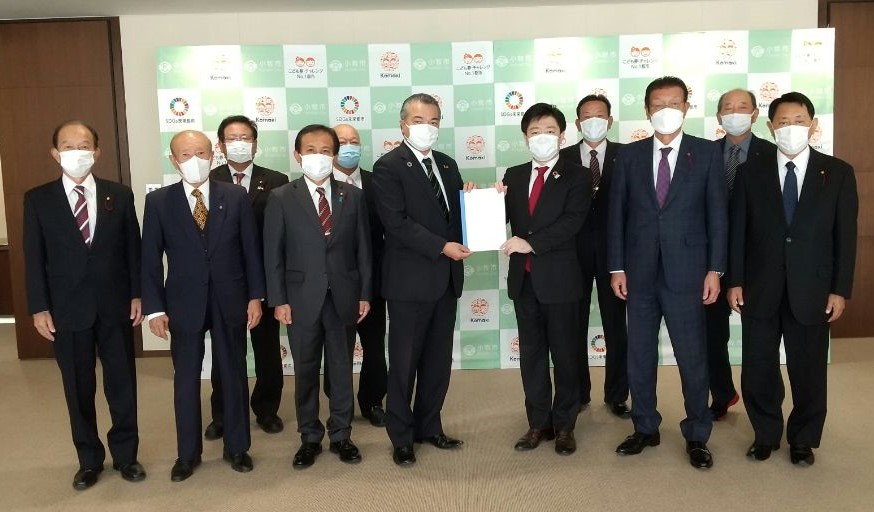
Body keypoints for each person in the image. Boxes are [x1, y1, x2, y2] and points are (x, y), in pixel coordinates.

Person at [727, 92, 857, 465]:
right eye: (783, 122)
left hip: (813, 288)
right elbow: (738, 233)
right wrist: (735, 281)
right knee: (759, 367)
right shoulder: (750, 172)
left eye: (799, 121)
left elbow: (845, 237)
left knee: (809, 368)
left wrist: (840, 290)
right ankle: (765, 434)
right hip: (759, 287)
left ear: (813, 125)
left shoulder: (837, 172)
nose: (791, 128)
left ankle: (803, 438)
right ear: (770, 127)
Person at [608, 76, 727, 469]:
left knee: (692, 357)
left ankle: (697, 434)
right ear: (646, 110)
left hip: (689, 273)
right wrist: (616, 267)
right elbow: (616, 215)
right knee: (639, 356)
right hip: (638, 273)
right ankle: (645, 427)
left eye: (674, 103)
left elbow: (717, 216)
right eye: (658, 104)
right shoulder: (628, 155)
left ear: (686, 107)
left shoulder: (706, 153)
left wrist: (715, 269)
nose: (666, 110)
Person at [23, 120, 145, 490]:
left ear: (97, 151)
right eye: (68, 146)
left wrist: (137, 294)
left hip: (115, 305)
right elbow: (34, 257)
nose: (77, 152)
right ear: (55, 153)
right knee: (78, 387)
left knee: (121, 383)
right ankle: (89, 460)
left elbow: (133, 250)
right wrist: (39, 307)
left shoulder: (118, 195)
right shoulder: (38, 199)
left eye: (84, 145)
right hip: (66, 309)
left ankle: (126, 455)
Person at [141, 130, 265, 481]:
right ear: (173, 160)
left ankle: (237, 447)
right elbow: (150, 259)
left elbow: (250, 249)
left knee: (233, 374)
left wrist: (255, 296)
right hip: (183, 302)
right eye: (185, 154)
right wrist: (155, 308)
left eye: (201, 152)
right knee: (185, 380)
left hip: (231, 298)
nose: (194, 160)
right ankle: (187, 454)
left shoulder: (235, 195)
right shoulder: (159, 202)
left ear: (214, 155)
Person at [372, 93, 473, 466]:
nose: (426, 128)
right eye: (418, 121)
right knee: (404, 364)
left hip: (445, 281)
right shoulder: (388, 167)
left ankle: (429, 426)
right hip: (409, 283)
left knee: (437, 362)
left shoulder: (447, 164)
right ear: (402, 125)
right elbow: (396, 223)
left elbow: (455, 217)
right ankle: (401, 437)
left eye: (433, 121)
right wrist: (442, 247)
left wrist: (475, 203)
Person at [263, 124, 372, 469]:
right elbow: (273, 254)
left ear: (335, 155)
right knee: (306, 371)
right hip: (299, 300)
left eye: (326, 150)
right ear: (298, 156)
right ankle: (309, 437)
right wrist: (278, 300)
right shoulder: (282, 197)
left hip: (343, 296)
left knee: (341, 369)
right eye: (310, 150)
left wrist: (365, 293)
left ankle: (341, 435)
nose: (318, 156)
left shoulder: (352, 196)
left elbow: (364, 250)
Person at [499, 103, 589, 455]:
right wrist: (480, 199)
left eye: (549, 131)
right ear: (525, 137)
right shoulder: (514, 175)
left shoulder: (578, 175)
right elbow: (498, 219)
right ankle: (538, 422)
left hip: (561, 280)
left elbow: (572, 222)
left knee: (566, 356)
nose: (542, 137)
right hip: (524, 282)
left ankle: (565, 425)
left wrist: (530, 243)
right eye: (534, 132)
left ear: (562, 136)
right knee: (532, 356)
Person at [204, 115, 289, 440]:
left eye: (245, 138)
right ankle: (223, 413)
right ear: (220, 145)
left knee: (267, 350)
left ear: (255, 144)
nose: (239, 143)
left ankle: (266, 410)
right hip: (224, 280)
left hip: (265, 277)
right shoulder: (208, 178)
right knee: (226, 352)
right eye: (232, 138)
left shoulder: (277, 180)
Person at [559, 94, 630, 418]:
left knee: (616, 326)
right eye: (586, 116)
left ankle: (617, 394)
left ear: (610, 120)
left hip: (616, 255)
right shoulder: (562, 157)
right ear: (577, 123)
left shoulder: (627, 155)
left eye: (599, 115)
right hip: (571, 253)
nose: (593, 121)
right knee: (573, 326)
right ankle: (578, 393)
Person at [708, 89, 777, 421]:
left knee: (758, 341)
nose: (734, 112)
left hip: (758, 262)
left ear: (755, 114)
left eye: (742, 107)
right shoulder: (705, 153)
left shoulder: (774, 154)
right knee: (711, 335)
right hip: (712, 261)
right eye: (728, 108)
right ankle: (722, 394)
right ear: (719, 116)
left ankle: (762, 412)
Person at [327, 123, 388, 427]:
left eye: (355, 141)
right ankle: (338, 404)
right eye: (342, 141)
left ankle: (372, 401)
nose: (349, 147)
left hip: (373, 280)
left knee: (374, 346)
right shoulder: (318, 185)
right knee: (337, 348)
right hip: (332, 282)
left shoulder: (379, 183)